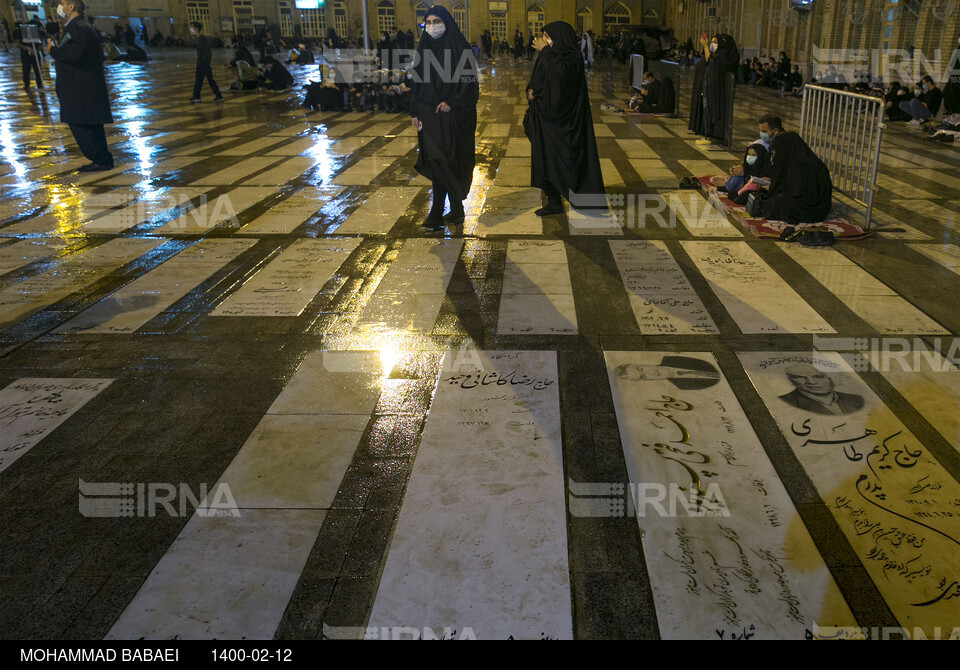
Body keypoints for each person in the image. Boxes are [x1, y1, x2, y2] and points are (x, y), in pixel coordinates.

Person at [524, 21, 604, 217]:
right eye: (543, 36)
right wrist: (531, 91)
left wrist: (545, 52)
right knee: (544, 160)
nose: (544, 40)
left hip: (563, 123)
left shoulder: (571, 57)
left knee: (565, 161)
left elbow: (561, 78)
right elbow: (539, 78)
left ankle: (578, 196)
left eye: (547, 36)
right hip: (545, 118)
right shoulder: (550, 56)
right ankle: (553, 201)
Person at [410, 6, 479, 231]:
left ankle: (440, 211)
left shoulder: (460, 49)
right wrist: (415, 112)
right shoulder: (424, 48)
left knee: (444, 161)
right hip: (428, 115)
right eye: (427, 22)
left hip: (451, 117)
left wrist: (453, 101)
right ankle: (446, 211)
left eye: (436, 21)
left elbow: (469, 83)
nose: (432, 26)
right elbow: (417, 83)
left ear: (446, 22)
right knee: (437, 162)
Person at [46, 0, 114, 171]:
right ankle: (101, 159)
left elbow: (76, 54)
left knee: (81, 123)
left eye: (62, 3)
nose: (58, 7)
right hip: (83, 86)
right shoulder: (80, 26)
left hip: (79, 87)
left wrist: (53, 50)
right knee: (90, 124)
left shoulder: (78, 27)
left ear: (71, 7)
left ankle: (100, 159)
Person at [759, 128, 832, 226]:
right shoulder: (797, 161)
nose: (775, 154)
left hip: (813, 210)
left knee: (776, 202)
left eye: (776, 151)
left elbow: (801, 195)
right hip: (809, 204)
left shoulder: (803, 167)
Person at [688, 33, 739, 144]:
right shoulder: (717, 55)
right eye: (712, 42)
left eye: (715, 42)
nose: (712, 44)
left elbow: (711, 63)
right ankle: (707, 134)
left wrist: (706, 46)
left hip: (718, 92)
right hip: (709, 90)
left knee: (715, 113)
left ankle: (714, 136)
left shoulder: (724, 56)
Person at [778, 365, 864, 416]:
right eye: (800, 377)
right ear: (791, 381)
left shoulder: (857, 399)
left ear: (831, 378)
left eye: (818, 377)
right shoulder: (784, 402)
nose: (811, 382)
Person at [189, 21, 222, 103]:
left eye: (192, 27)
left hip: (204, 63)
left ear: (196, 29)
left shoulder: (202, 38)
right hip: (200, 63)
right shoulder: (198, 38)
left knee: (210, 80)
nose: (191, 29)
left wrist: (205, 62)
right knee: (198, 80)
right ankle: (196, 96)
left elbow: (207, 52)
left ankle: (219, 96)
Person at [13, 21, 44, 92]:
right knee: (26, 69)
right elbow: (17, 43)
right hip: (25, 54)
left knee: (37, 69)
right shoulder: (20, 32)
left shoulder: (37, 32)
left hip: (35, 54)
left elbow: (41, 43)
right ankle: (26, 84)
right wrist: (25, 47)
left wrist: (36, 50)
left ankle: (39, 84)